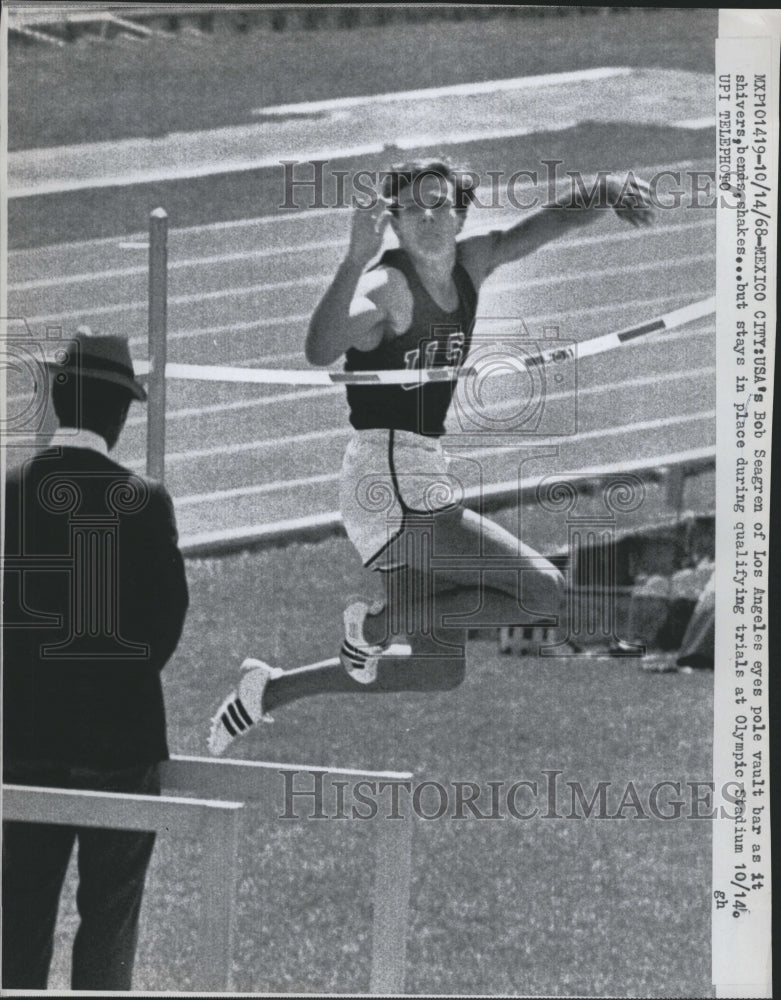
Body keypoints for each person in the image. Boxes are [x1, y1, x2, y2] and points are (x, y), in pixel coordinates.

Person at [208, 158, 653, 755]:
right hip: (388, 483)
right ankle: (371, 627)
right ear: (392, 222)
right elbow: (320, 348)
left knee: (436, 669)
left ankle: (270, 690)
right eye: (411, 208)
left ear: (460, 211)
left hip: (417, 470)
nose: (426, 217)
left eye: (438, 203)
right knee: (542, 591)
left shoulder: (472, 261)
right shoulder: (387, 287)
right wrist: (351, 260)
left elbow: (547, 225)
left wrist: (606, 186)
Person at [2, 329, 189, 990]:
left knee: (17, 918)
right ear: (122, 414)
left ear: (58, 398)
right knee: (110, 918)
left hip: (21, 741)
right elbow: (164, 624)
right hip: (120, 743)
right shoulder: (144, 501)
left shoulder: (10, 493)